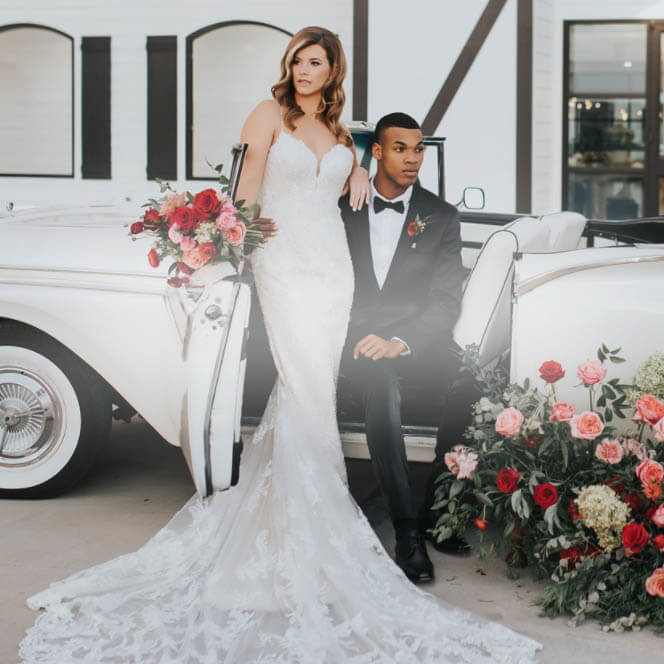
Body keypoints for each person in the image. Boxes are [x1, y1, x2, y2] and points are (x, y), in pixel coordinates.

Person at [18, 27, 541, 663]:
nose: (304, 70)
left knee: (309, 387)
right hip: (285, 266)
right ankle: (318, 533)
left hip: (334, 275)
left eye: (316, 61)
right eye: (297, 60)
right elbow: (247, 189)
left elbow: (349, 192)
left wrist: (353, 183)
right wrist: (229, 250)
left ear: (332, 69)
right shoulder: (270, 114)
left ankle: (307, 521)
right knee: (307, 388)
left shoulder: (348, 137)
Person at [338, 112, 469, 583]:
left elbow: (445, 299)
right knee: (382, 388)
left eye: (418, 149)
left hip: (416, 338)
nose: (412, 158)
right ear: (376, 151)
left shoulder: (442, 216)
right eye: (400, 149)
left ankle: (439, 508)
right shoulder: (341, 207)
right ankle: (407, 529)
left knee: (470, 382)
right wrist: (361, 339)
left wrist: (401, 341)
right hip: (354, 341)